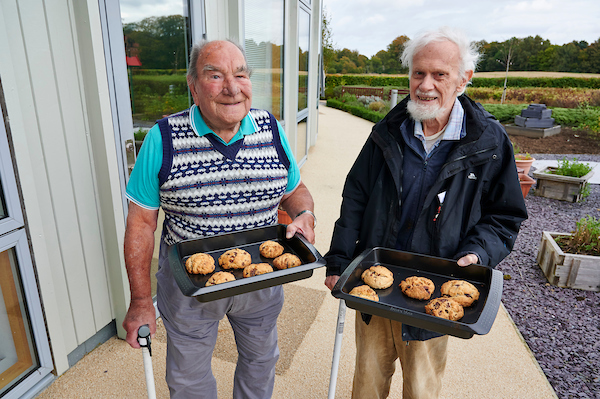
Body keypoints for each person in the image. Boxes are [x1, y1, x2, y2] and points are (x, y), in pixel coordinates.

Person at [324, 27, 528, 399]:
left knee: (421, 390)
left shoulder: (489, 142)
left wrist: (479, 252)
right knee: (367, 386)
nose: (425, 85)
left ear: (464, 79)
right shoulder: (388, 130)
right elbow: (356, 195)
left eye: (439, 74)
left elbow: (505, 216)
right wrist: (338, 260)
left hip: (435, 293)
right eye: (418, 73)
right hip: (376, 281)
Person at [122, 39, 316, 398]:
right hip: (188, 287)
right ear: (193, 86)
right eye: (215, 75)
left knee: (261, 362)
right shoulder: (162, 139)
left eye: (240, 74)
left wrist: (304, 214)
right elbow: (140, 224)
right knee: (188, 377)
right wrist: (140, 302)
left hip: (261, 278)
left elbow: (294, 189)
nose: (231, 87)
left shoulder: (269, 127)